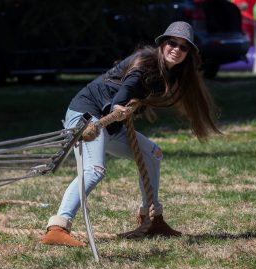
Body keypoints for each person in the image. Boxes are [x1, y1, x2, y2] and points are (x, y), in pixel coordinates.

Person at [41, 21, 221, 247]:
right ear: (163, 44)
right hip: (87, 116)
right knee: (95, 170)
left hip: (111, 125)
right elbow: (129, 85)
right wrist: (119, 106)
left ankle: (153, 220)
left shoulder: (174, 73)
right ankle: (57, 227)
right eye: (171, 43)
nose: (176, 49)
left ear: (189, 54)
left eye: (183, 47)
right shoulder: (145, 62)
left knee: (152, 154)